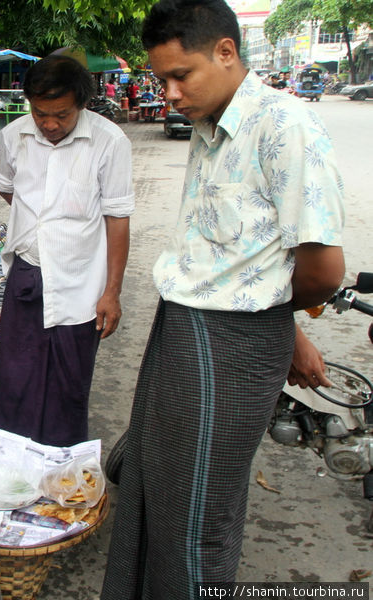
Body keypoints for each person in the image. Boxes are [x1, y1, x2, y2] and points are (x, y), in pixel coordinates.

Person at [101, 1, 345, 597]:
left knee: (195, 516)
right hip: (182, 330)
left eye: (180, 75)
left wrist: (278, 329)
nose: (170, 95)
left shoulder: (285, 127)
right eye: (162, 80)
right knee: (149, 482)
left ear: (226, 52)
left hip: (234, 346)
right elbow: (250, 264)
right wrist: (293, 332)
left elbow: (321, 273)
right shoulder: (210, 127)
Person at [0, 54, 134, 448]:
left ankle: (61, 468)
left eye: (62, 115)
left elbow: (117, 219)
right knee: (14, 375)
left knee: (68, 382)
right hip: (26, 271)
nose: (50, 124)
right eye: (40, 113)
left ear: (83, 104)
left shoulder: (109, 141)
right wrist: (41, 228)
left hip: (80, 280)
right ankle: (13, 460)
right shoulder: (13, 136)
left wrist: (112, 292)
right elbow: (7, 189)